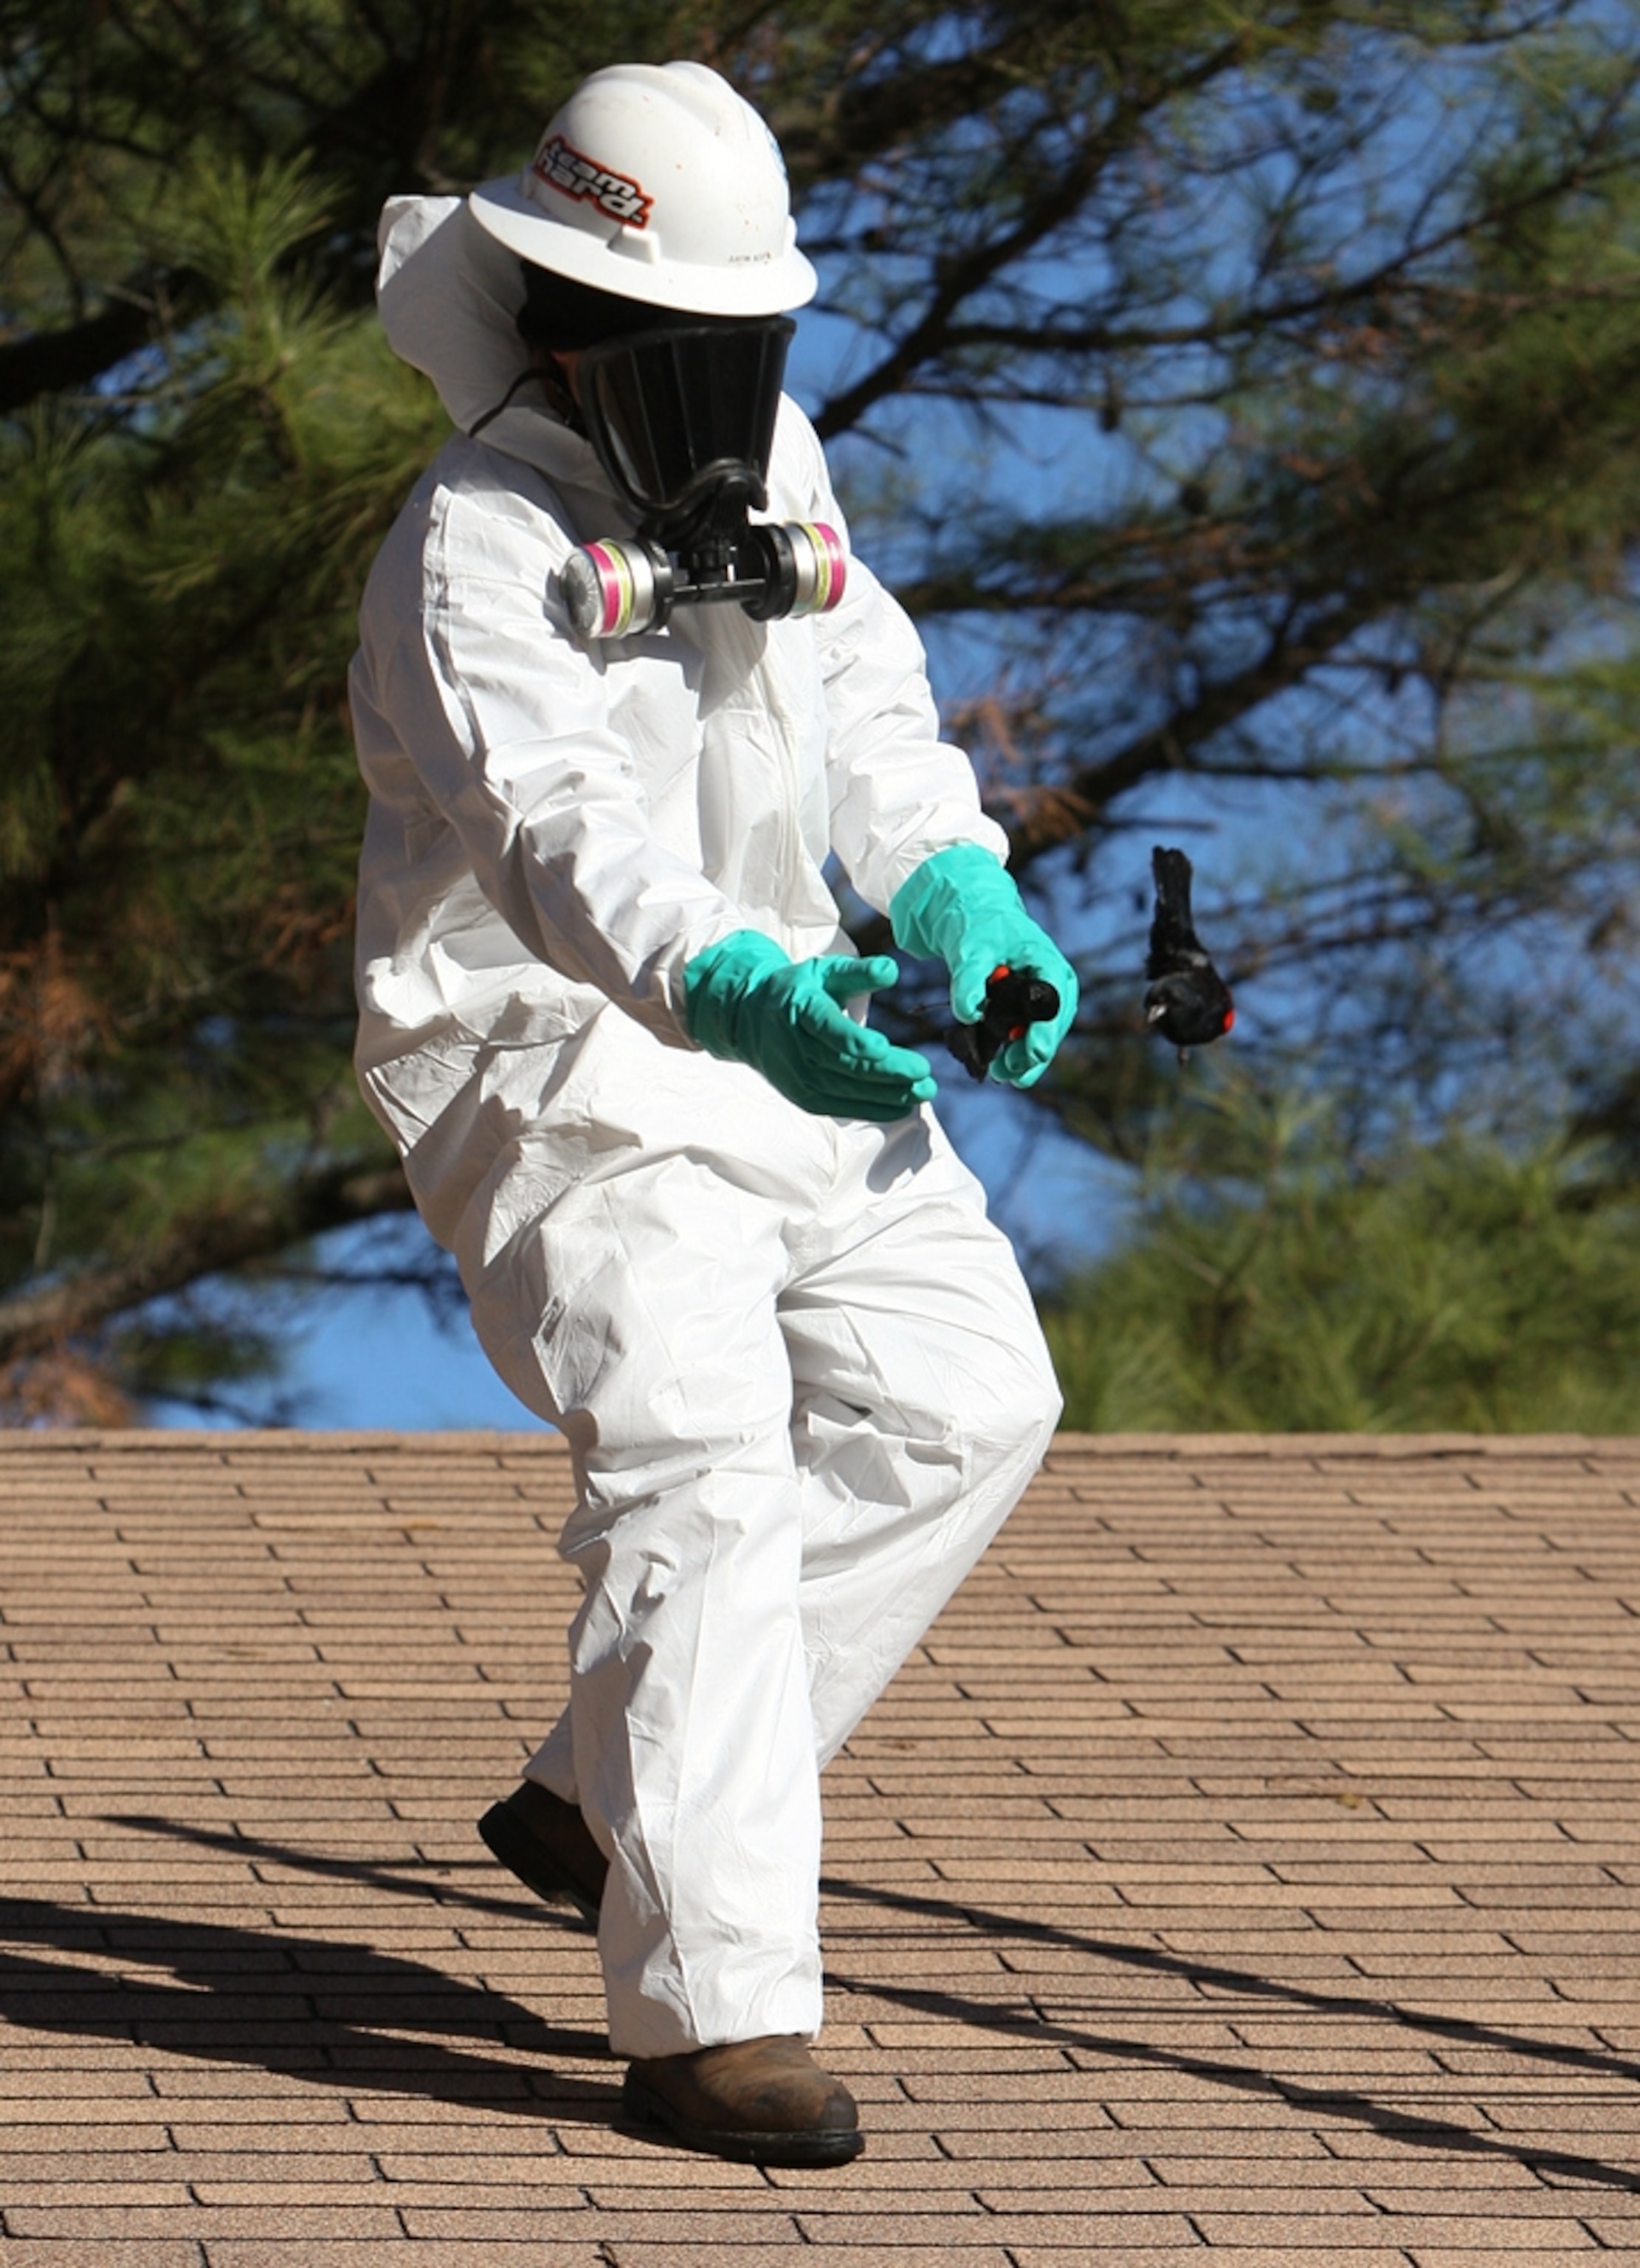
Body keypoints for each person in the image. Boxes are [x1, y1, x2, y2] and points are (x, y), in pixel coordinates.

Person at [348, 58, 1078, 2168]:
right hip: (557, 1064)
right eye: (697, 346)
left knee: (969, 1399)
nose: (732, 382)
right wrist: (740, 987)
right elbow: (553, 829)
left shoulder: (783, 461)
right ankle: (716, 2015)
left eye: (755, 342)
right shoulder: (471, 541)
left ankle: (608, 1801)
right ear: (571, 320)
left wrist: (960, 889)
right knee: (700, 1458)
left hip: (790, 1023)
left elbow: (860, 695)